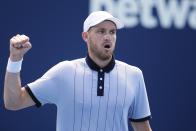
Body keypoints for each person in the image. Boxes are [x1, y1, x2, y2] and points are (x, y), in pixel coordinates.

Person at [4, 11, 152, 131]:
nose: (108, 37)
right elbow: (14, 102)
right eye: (101, 31)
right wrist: (15, 59)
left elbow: (142, 127)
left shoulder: (134, 75)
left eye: (112, 32)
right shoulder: (64, 72)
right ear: (85, 36)